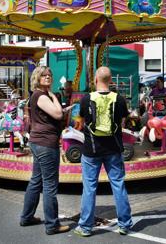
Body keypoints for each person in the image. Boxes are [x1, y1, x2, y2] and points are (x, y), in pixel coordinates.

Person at [74, 66, 132, 237]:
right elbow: (122, 123)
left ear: (95, 80)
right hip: (113, 148)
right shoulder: (119, 99)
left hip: (91, 150)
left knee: (89, 187)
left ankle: (85, 227)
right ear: (111, 80)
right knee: (118, 184)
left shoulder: (86, 99)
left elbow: (81, 121)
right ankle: (125, 225)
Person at [20, 66, 70, 235]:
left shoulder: (39, 95)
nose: (48, 77)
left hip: (39, 141)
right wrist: (55, 97)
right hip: (46, 143)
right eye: (44, 75)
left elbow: (54, 113)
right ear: (37, 78)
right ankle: (52, 225)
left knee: (36, 181)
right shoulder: (41, 95)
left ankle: (27, 217)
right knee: (49, 185)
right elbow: (57, 115)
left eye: (50, 75)